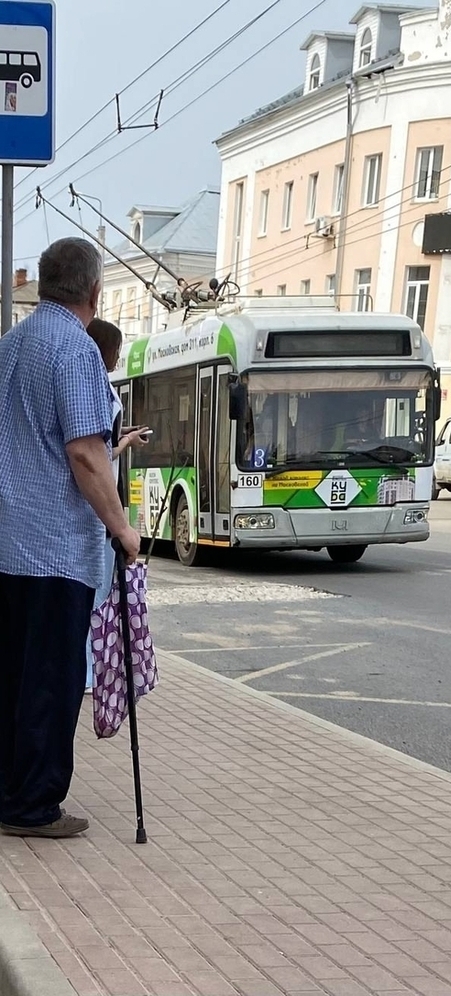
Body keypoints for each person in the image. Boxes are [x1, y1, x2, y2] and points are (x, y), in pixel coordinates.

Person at [0, 238, 141, 840]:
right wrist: (122, 528)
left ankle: (8, 791)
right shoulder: (76, 350)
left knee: (11, 675)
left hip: (7, 545)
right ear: (93, 291)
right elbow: (85, 454)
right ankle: (33, 805)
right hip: (55, 550)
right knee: (52, 679)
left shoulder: (9, 347)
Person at [84, 319, 150, 692]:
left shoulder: (97, 385)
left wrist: (124, 433)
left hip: (100, 504)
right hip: (102, 507)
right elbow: (93, 450)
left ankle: (90, 671)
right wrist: (123, 444)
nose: (119, 356)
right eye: (117, 349)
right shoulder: (99, 388)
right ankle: (92, 673)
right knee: (99, 596)